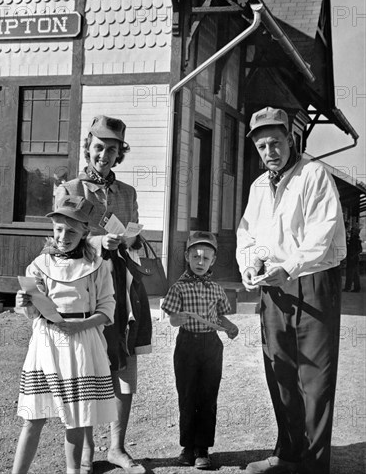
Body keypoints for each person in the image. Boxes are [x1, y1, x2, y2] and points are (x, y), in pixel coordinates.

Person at [236, 107, 346, 474]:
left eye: (276, 142)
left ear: (290, 140)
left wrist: (289, 266)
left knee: (314, 380)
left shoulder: (313, 174)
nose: (271, 151)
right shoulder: (256, 187)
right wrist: (250, 263)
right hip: (273, 286)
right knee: (279, 371)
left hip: (312, 282)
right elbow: (247, 234)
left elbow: (323, 231)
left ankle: (315, 466)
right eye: (263, 145)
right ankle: (288, 453)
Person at [55, 115, 152, 474]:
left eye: (112, 150)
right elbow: (60, 243)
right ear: (88, 148)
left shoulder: (127, 193)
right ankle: (85, 451)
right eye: (99, 148)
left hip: (123, 287)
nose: (105, 155)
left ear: (119, 153)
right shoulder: (70, 190)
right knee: (88, 367)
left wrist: (132, 238)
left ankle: (118, 447)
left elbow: (136, 236)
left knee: (123, 365)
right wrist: (97, 240)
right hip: (85, 289)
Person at [12, 195, 117, 474]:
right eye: (58, 229)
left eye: (71, 230)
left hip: (82, 341)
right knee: (34, 417)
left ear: (85, 231)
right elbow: (35, 310)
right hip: (47, 341)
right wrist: (26, 304)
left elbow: (107, 309)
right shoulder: (40, 264)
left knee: (78, 418)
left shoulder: (97, 265)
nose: (63, 236)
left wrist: (80, 326)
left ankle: (73, 471)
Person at [161, 231, 239, 470]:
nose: (200, 262)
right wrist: (177, 319)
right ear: (187, 256)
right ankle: (187, 447)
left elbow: (220, 317)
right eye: (195, 256)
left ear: (213, 260)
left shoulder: (216, 288)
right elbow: (172, 319)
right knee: (187, 395)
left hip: (211, 346)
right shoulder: (178, 288)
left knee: (208, 396)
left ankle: (203, 448)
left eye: (206, 258)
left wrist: (229, 326)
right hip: (187, 345)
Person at [344, 225, 362, 292]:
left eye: (353, 230)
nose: (351, 231)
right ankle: (351, 288)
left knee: (353, 274)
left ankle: (352, 288)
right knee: (352, 274)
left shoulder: (356, 240)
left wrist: (353, 255)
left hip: (353, 259)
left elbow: (360, 249)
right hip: (351, 258)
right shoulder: (352, 239)